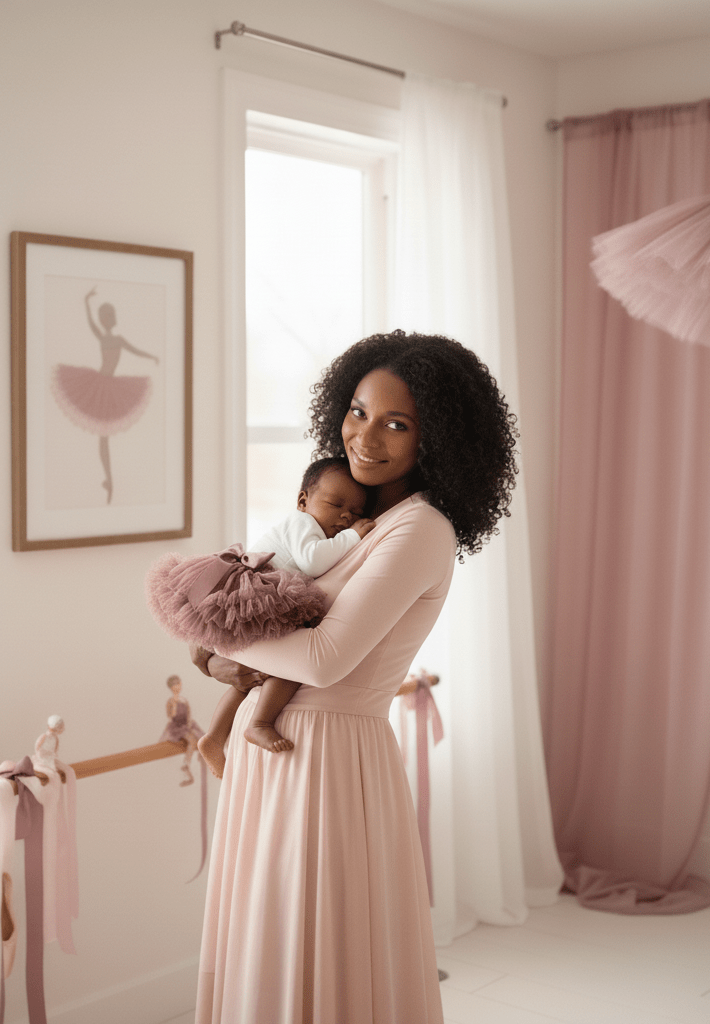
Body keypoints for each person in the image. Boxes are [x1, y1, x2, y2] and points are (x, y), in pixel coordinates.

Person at [190, 330, 518, 1024]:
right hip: (276, 751)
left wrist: (217, 637)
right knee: (269, 941)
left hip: (327, 757)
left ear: (438, 438)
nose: (367, 437)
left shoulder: (420, 529)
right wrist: (234, 648)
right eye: (359, 412)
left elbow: (321, 658)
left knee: (317, 949)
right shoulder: (357, 517)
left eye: (397, 423)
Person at [147, 458, 376, 777]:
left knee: (255, 676)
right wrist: (353, 536)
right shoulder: (303, 524)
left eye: (354, 513)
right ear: (302, 501)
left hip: (262, 595)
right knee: (291, 665)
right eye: (336, 505)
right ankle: (259, 723)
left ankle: (214, 737)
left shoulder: (319, 531)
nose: (344, 516)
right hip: (258, 594)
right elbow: (312, 563)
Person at [51, 289, 159, 503]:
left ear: (111, 318)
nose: (105, 320)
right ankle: (109, 481)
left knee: (104, 437)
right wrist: (85, 301)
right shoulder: (106, 338)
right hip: (101, 384)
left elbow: (135, 350)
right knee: (103, 437)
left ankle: (109, 481)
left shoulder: (115, 339)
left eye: (108, 316)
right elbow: (90, 323)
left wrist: (151, 356)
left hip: (108, 387)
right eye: (104, 317)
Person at [158, 675, 205, 786]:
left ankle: (199, 758)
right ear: (171, 688)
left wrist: (189, 725)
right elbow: (171, 716)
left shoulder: (184, 700)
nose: (177, 687)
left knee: (200, 736)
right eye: (174, 685)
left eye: (178, 684)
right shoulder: (171, 701)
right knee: (192, 740)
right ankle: (186, 766)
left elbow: (188, 714)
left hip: (186, 725)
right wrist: (174, 703)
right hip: (177, 727)